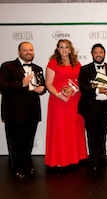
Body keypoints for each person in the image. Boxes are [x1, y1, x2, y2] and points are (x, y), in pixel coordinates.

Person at [0, 42, 45, 179]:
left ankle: (26, 165)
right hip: (14, 113)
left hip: (32, 111)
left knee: (28, 141)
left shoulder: (37, 68)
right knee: (15, 143)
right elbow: (2, 86)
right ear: (19, 52)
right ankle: (17, 168)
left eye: (30, 50)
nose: (28, 52)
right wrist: (21, 83)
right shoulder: (7, 67)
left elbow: (41, 85)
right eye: (25, 50)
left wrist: (42, 89)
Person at [45, 39, 88, 169]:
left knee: (75, 128)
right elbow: (48, 83)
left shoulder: (77, 64)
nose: (64, 50)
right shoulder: (53, 63)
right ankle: (59, 159)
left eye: (66, 47)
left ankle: (76, 157)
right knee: (60, 130)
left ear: (70, 49)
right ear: (57, 49)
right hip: (59, 101)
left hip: (75, 100)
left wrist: (78, 88)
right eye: (61, 47)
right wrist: (59, 95)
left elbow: (81, 81)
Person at [78, 44, 107, 171]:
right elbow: (83, 87)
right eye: (95, 52)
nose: (98, 54)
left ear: (104, 53)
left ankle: (102, 156)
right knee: (92, 134)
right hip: (91, 107)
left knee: (102, 133)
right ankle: (93, 159)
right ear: (92, 54)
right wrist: (98, 90)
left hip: (106, 106)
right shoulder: (85, 69)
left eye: (100, 52)